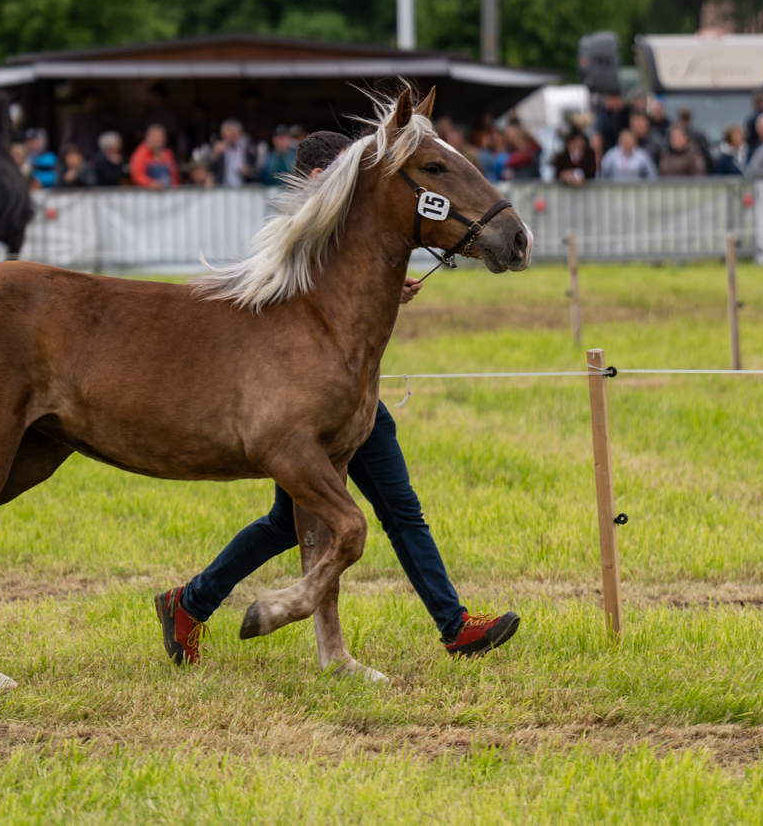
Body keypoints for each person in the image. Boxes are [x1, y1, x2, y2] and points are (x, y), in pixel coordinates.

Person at [155, 130, 521, 666]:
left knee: (314, 519)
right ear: (316, 177)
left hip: (341, 391)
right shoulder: (302, 226)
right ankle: (454, 626)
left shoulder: (346, 228)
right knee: (383, 512)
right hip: (310, 395)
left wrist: (389, 285)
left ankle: (190, 603)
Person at [61, 90, 117, 163]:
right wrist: (62, 156)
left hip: (99, 157)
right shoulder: (77, 118)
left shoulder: (103, 117)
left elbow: (117, 130)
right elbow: (68, 137)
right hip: (80, 157)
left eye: (94, 102)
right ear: (84, 102)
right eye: (89, 101)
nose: (91, 104)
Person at [129, 124, 179, 189]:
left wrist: (174, 187)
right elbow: (137, 176)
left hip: (167, 192)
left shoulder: (168, 154)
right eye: (154, 136)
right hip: (147, 193)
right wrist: (150, 183)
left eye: (160, 136)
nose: (157, 139)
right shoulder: (140, 153)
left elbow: (174, 176)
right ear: (147, 137)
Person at [210, 119, 256, 187]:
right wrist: (215, 154)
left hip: (242, 188)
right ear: (222, 134)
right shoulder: (218, 149)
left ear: (240, 134)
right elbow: (210, 168)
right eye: (228, 134)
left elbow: (256, 172)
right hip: (222, 188)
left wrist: (248, 171)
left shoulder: (247, 150)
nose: (231, 137)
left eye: (233, 134)